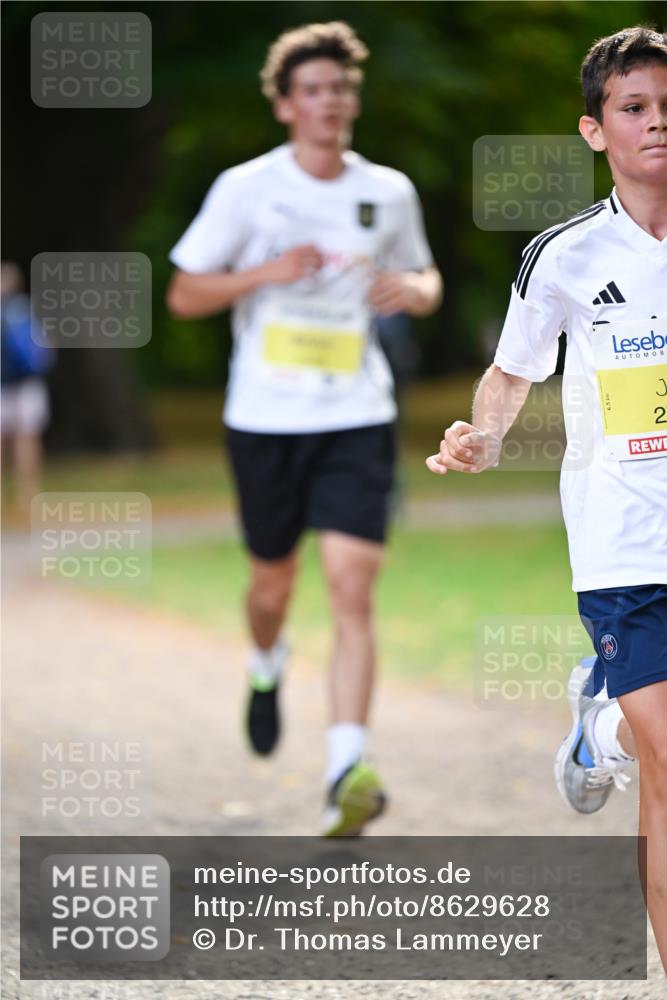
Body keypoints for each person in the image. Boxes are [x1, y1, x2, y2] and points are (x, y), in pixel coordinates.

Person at [426, 26, 667, 970]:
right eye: (634, 109)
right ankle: (608, 724)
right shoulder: (563, 255)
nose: (657, 125)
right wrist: (482, 436)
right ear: (593, 130)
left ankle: (602, 730)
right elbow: (509, 373)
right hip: (623, 545)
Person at [167, 22, 442, 836]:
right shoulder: (245, 188)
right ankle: (264, 661)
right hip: (264, 417)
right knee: (271, 588)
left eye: (342, 89)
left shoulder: (387, 190)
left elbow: (424, 275)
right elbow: (184, 295)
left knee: (352, 588)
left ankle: (343, 771)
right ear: (287, 105)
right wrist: (264, 273)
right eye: (315, 90)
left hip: (356, 411)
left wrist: (413, 292)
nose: (332, 102)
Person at [1, 261, 53, 511]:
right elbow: (45, 349)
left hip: (11, 383)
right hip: (27, 383)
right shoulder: (26, 310)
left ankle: (25, 494)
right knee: (27, 438)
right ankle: (28, 493)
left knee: (22, 438)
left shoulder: (21, 311)